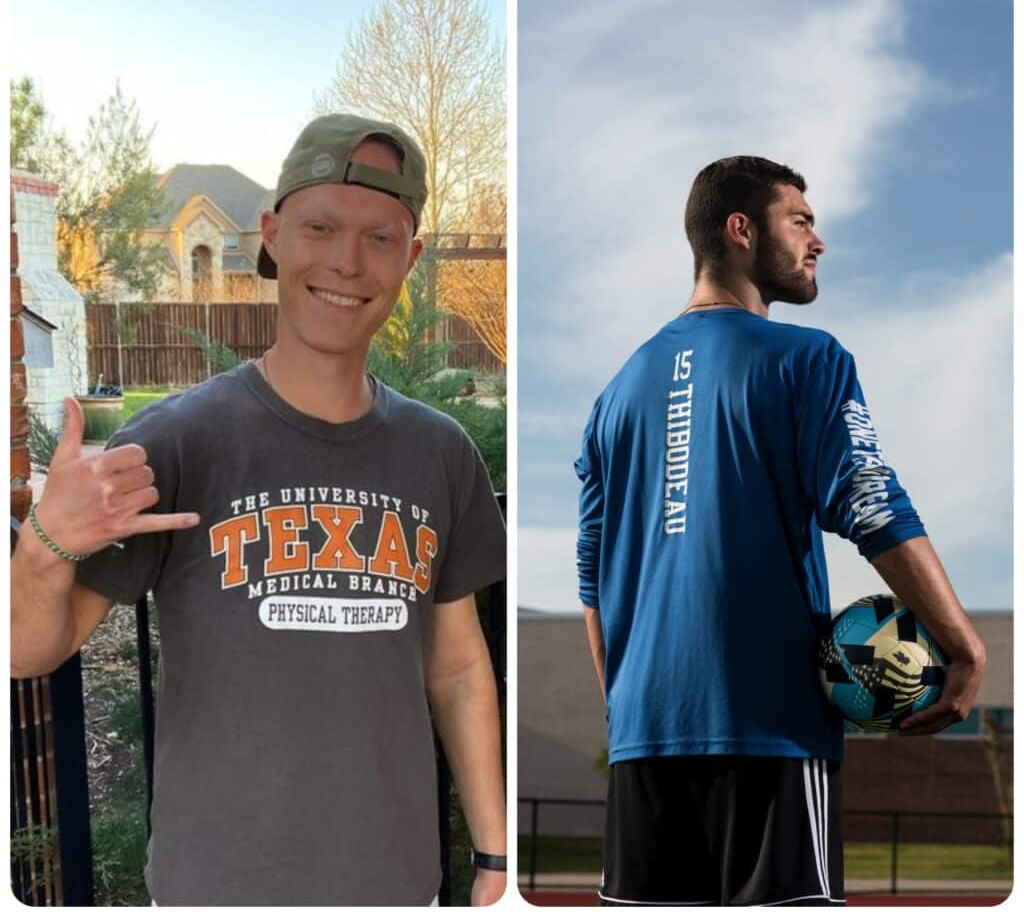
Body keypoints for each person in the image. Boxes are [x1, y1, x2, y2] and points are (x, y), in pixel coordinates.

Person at [11, 114, 508, 906]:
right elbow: (27, 652)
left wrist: (496, 862)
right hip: (219, 886)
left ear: (410, 259)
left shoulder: (441, 454)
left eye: (381, 238)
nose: (347, 262)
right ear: (272, 236)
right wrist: (43, 547)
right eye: (320, 227)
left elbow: (455, 665)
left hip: (393, 884)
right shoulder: (174, 442)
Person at [575, 156, 986, 907]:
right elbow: (870, 499)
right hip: (769, 733)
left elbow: (593, 578)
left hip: (643, 746)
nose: (817, 240)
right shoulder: (808, 358)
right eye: (799, 220)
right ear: (740, 231)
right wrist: (962, 643)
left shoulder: (613, 395)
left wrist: (629, 707)